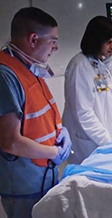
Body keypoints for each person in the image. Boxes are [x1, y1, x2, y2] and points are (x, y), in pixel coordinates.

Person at [0, 7, 71, 218]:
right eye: (53, 41)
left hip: (43, 176)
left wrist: (61, 131)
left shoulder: (31, 68)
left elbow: (40, 115)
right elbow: (10, 142)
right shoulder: (6, 76)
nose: (56, 47)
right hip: (24, 185)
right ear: (33, 39)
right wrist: (54, 153)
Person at [63, 16, 112, 164]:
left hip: (105, 139)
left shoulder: (102, 64)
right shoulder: (80, 66)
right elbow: (84, 113)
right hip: (89, 143)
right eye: (109, 42)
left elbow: (111, 102)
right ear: (97, 40)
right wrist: (107, 142)